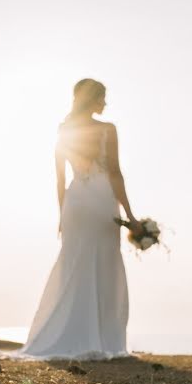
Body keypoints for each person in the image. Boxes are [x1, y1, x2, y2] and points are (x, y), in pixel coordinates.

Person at [20, 79, 141, 360]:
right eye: (103, 97)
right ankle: (104, 339)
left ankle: (70, 335)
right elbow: (115, 173)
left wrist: (62, 215)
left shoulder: (64, 130)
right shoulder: (107, 129)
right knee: (104, 263)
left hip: (75, 203)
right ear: (94, 98)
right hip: (101, 200)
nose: (106, 103)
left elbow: (60, 180)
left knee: (74, 263)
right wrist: (131, 215)